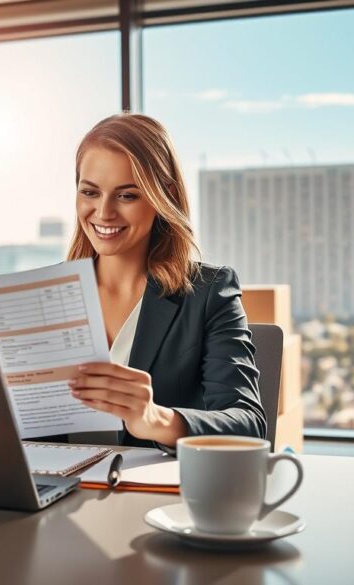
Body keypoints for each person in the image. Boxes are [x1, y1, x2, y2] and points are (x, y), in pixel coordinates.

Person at [66, 113, 266, 450]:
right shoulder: (47, 294)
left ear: (164, 196)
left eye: (127, 195)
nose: (103, 213)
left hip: (153, 495)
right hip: (53, 491)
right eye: (90, 192)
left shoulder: (208, 292)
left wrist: (155, 419)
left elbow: (248, 424)